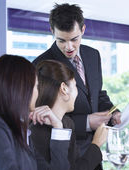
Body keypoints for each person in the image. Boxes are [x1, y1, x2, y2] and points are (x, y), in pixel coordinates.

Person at [32, 3, 121, 158]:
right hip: (63, 152)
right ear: (52, 31)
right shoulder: (42, 64)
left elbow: (97, 94)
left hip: (94, 149)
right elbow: (43, 116)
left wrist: (113, 112)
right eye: (61, 40)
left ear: (83, 30)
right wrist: (86, 122)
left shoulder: (93, 55)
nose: (69, 47)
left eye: (74, 39)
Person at [30, 60, 107, 170]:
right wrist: (96, 144)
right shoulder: (36, 130)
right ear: (64, 89)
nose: (77, 93)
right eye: (75, 85)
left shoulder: (67, 123)